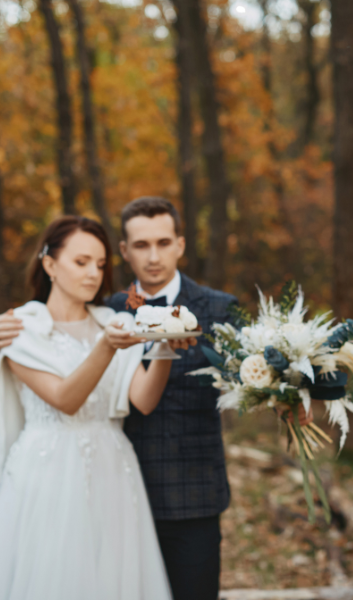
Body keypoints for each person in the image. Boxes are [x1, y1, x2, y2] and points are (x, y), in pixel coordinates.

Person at [0, 216, 190, 600]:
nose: (93, 274)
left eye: (101, 265)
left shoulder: (113, 320)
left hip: (112, 469)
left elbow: (143, 400)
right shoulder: (21, 328)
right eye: (81, 262)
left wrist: (165, 346)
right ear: (50, 264)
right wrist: (106, 347)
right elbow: (66, 400)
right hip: (48, 472)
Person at [105, 197, 236, 600]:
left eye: (163, 243)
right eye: (141, 246)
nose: (154, 256)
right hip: (123, 494)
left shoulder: (219, 308)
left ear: (180, 244)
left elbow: (252, 379)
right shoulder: (108, 310)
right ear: (125, 251)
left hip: (194, 495)